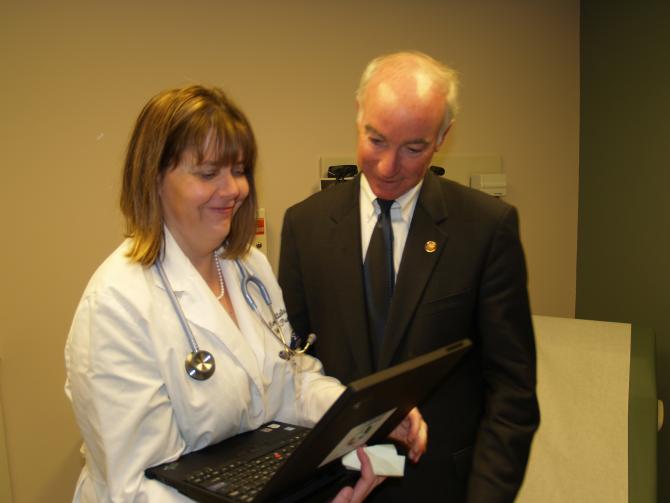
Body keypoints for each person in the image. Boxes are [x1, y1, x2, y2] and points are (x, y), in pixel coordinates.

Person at [64, 85, 427, 502]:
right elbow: (137, 490)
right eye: (207, 173)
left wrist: (368, 419)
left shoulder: (246, 268)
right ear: (154, 179)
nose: (234, 189)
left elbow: (292, 384)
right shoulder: (117, 304)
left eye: (238, 170)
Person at [278, 51, 540, 502]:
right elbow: (291, 370)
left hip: (441, 488)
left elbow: (512, 392)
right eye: (375, 140)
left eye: (413, 148)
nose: (387, 167)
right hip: (336, 490)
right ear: (358, 115)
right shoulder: (305, 226)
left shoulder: (485, 228)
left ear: (443, 137)